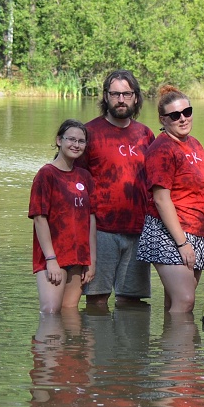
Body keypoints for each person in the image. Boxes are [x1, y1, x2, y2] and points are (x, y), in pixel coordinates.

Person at [77, 70, 155, 308]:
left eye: (127, 94)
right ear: (105, 96)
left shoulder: (146, 135)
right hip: (100, 230)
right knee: (97, 299)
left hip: (138, 230)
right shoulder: (89, 133)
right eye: (115, 94)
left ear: (136, 97)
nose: (121, 100)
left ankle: (127, 337)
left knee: (131, 301)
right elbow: (75, 182)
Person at [136, 86, 204, 313]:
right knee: (185, 300)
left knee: (176, 301)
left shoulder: (195, 144)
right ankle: (182, 342)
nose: (183, 118)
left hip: (198, 231)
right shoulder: (161, 149)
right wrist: (182, 243)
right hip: (169, 232)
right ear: (163, 119)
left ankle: (171, 337)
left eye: (187, 112)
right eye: (175, 115)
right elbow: (161, 200)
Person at [29, 120, 96, 313]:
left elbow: (91, 219)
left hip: (78, 258)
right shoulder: (46, 174)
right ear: (59, 140)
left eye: (81, 141)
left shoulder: (85, 177)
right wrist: (51, 259)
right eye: (71, 139)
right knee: (50, 312)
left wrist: (91, 260)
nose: (76, 145)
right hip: (52, 257)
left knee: (69, 314)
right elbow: (39, 218)